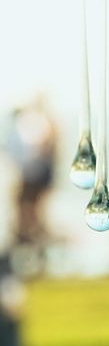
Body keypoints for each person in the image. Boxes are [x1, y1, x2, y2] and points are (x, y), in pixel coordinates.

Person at [5, 96, 57, 247]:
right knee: (28, 212)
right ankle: (27, 242)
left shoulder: (40, 124)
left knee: (29, 211)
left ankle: (30, 242)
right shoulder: (40, 123)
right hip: (32, 176)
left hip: (33, 177)